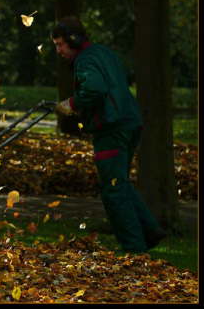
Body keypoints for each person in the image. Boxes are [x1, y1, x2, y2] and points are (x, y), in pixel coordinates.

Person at [51, 16, 167, 253]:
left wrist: (72, 104)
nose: (58, 50)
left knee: (113, 189)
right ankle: (150, 231)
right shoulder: (104, 53)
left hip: (111, 128)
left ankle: (134, 250)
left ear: (74, 40)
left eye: (61, 44)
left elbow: (95, 88)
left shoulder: (85, 61)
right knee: (120, 183)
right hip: (130, 122)